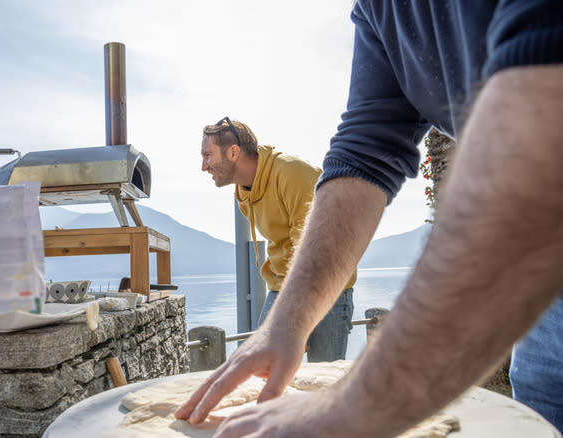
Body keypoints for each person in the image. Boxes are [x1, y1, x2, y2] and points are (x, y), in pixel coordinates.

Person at [176, 1, 563, 437]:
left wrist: (363, 402)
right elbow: (366, 147)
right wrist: (285, 322)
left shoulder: (287, 172)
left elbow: (540, 135)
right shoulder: (381, 11)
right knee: (545, 400)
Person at [200, 117, 356, 361]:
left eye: (208, 155)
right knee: (258, 364)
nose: (203, 166)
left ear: (233, 152)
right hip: (283, 285)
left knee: (324, 380)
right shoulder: (244, 192)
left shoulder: (292, 173)